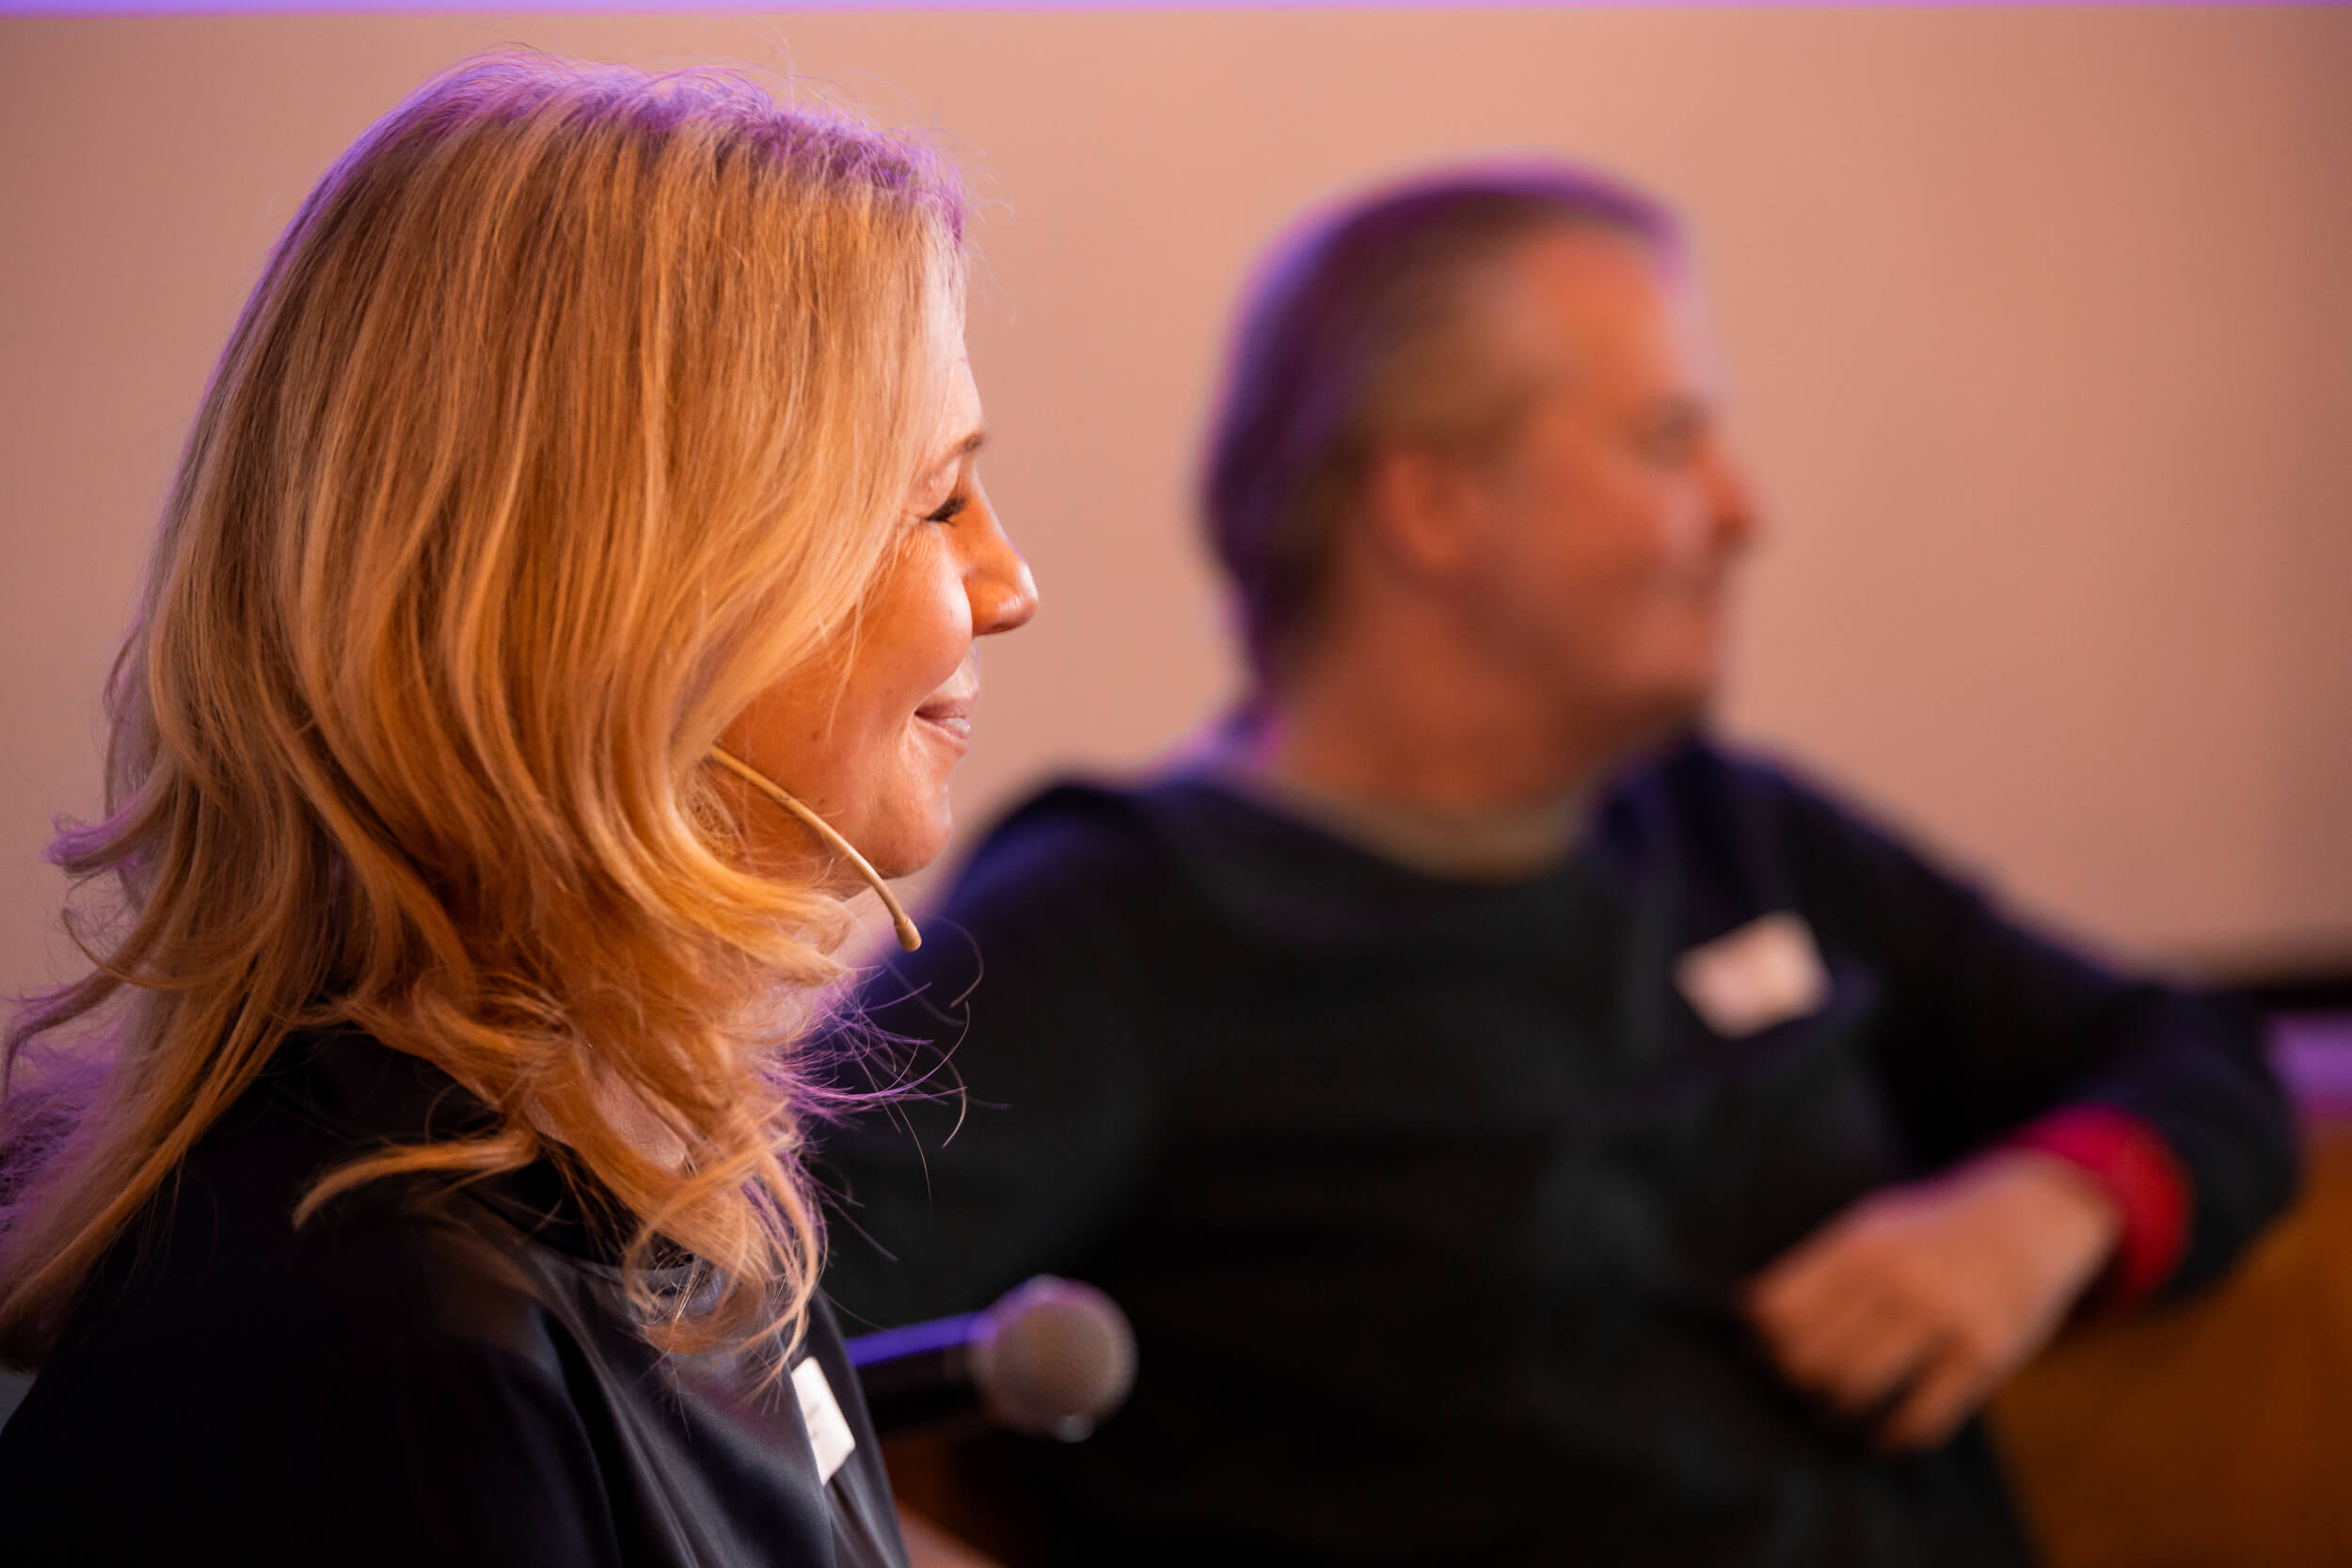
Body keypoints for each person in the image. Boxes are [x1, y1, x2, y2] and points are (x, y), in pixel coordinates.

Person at [815, 165, 2297, 1565]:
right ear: (1434, 504)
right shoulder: (1125, 920)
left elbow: (2201, 1060)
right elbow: (728, 1361)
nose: (1741, 510)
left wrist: (2043, 1212)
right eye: (1669, 439)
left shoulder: (1730, 828)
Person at [0, 54, 1035, 1567]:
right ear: (652, 583)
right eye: (936, 500)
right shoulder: (389, 1346)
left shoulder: (665, 1204)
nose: (1009, 588)